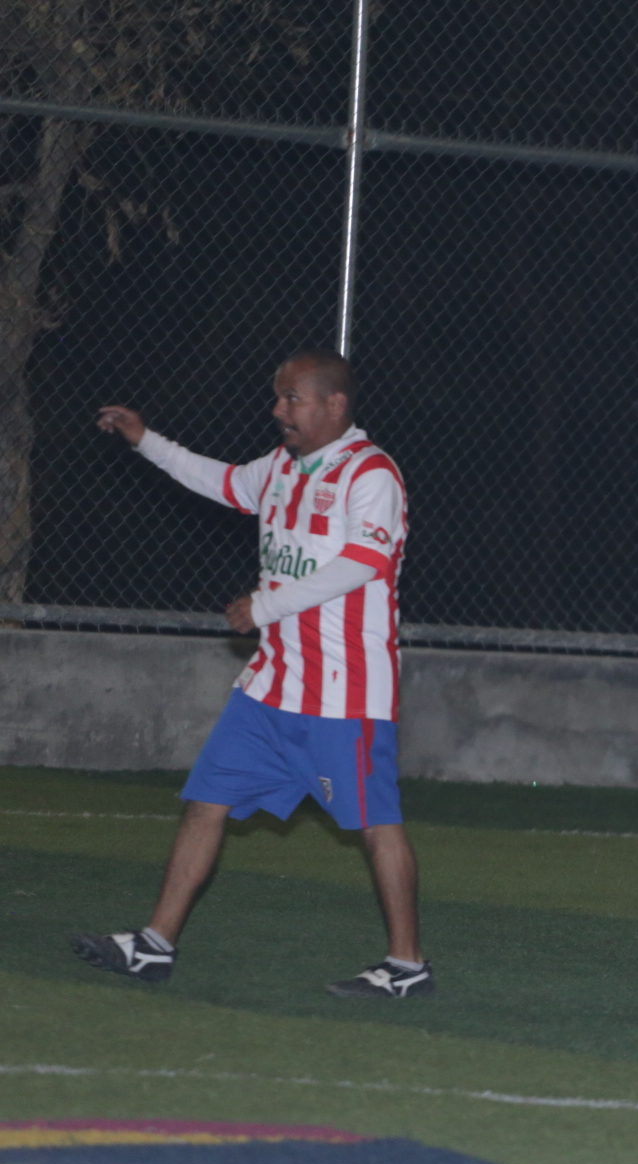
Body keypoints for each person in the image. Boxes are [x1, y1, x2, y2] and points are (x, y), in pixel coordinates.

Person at [70, 351, 432, 998]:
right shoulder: (281, 467)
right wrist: (146, 440)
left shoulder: (370, 473)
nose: (278, 411)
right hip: (270, 686)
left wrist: (266, 605)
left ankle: (407, 966)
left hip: (344, 692)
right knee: (205, 802)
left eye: (292, 399)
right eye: (279, 398)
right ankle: (155, 945)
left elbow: (362, 562)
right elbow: (222, 481)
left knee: (377, 823)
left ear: (334, 405)